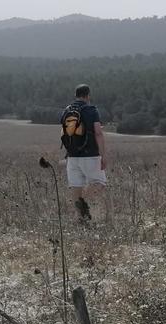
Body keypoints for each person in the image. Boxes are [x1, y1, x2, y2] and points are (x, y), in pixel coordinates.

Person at [60, 84, 107, 223]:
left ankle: (80, 218)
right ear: (88, 95)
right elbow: (98, 132)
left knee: (76, 186)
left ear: (76, 95)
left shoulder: (67, 110)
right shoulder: (91, 110)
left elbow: (64, 132)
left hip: (72, 156)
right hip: (90, 155)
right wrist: (103, 155)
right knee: (99, 183)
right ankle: (84, 202)